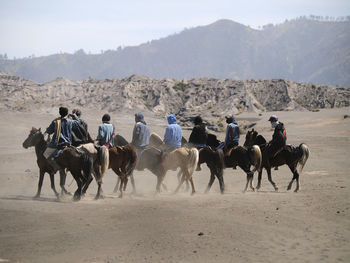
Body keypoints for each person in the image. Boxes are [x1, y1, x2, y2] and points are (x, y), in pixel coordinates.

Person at [43, 106, 80, 172]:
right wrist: (73, 115)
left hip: (58, 144)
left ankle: (56, 167)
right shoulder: (70, 121)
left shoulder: (56, 122)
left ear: (60, 113)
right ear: (67, 113)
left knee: (45, 154)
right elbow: (78, 122)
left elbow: (49, 131)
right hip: (68, 143)